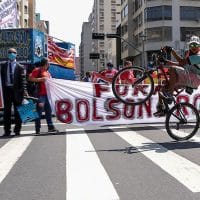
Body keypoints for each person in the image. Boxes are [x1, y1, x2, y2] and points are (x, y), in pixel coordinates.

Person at [154, 35, 200, 117]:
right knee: (164, 85)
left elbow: (181, 62)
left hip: (195, 79)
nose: (193, 47)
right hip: (187, 77)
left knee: (172, 69)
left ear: (199, 46)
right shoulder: (188, 53)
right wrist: (166, 61)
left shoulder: (198, 56)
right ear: (189, 46)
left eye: (196, 45)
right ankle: (162, 109)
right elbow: (181, 65)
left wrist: (172, 50)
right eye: (191, 45)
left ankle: (170, 95)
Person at [1, 48, 28, 137]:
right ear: (7, 54)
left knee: (18, 112)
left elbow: (23, 80)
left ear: (16, 54)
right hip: (7, 91)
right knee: (7, 112)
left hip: (17, 91)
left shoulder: (20, 66)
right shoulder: (4, 66)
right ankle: (7, 131)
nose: (11, 54)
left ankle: (17, 130)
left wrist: (24, 91)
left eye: (13, 52)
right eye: (9, 52)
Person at [29, 57, 58, 134]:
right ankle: (37, 129)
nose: (49, 64)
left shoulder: (47, 72)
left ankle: (50, 127)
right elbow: (30, 78)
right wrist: (40, 79)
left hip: (47, 95)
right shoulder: (37, 70)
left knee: (48, 112)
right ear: (45, 63)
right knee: (39, 112)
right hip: (40, 95)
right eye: (48, 63)